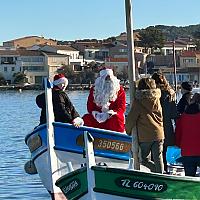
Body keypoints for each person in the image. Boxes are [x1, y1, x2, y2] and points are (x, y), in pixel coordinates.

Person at [125, 78, 165, 173]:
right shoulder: (157, 100)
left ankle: (156, 172)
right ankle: (161, 175)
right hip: (159, 133)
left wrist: (128, 130)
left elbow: (131, 119)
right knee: (158, 158)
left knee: (143, 159)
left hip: (145, 136)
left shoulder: (138, 102)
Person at [82, 68, 126, 133]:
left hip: (111, 116)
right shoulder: (94, 89)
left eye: (109, 77)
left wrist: (109, 113)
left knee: (116, 119)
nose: (108, 80)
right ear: (101, 79)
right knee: (86, 118)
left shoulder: (119, 90)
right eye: (106, 78)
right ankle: (90, 136)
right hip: (98, 117)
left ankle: (116, 138)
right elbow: (90, 106)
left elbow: (121, 107)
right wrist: (96, 114)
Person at [151, 72, 177, 173]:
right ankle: (164, 170)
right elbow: (174, 114)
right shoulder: (170, 94)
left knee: (155, 154)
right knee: (163, 152)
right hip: (166, 127)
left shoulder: (152, 94)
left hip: (154, 126)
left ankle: (156, 172)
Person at [175, 93, 200, 176]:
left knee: (190, 178)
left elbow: (178, 134)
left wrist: (179, 145)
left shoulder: (182, 118)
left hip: (187, 152)